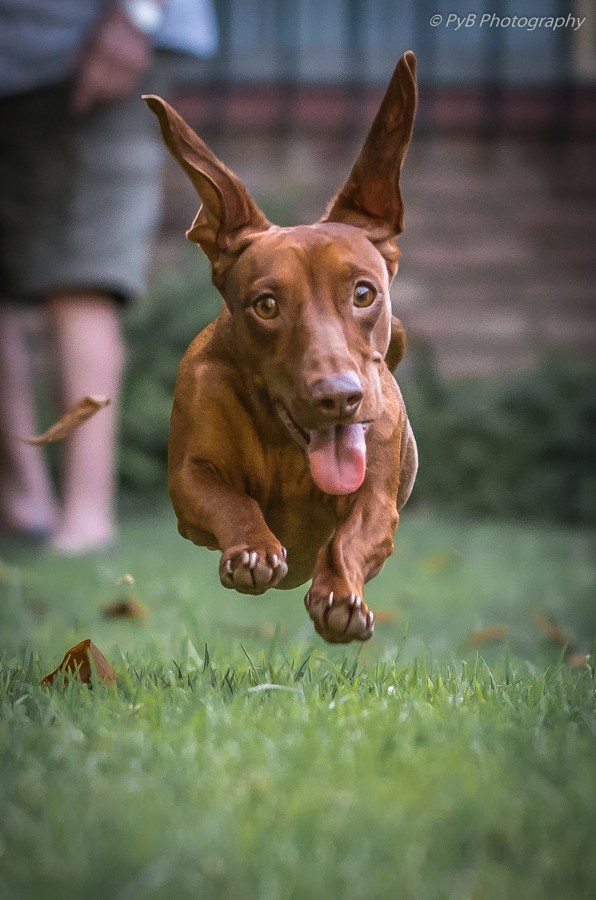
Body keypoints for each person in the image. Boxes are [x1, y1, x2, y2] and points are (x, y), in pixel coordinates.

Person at [0, 0, 217, 554]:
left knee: (82, 276)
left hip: (92, 41)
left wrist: (136, 16)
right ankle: (24, 500)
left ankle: (86, 519)